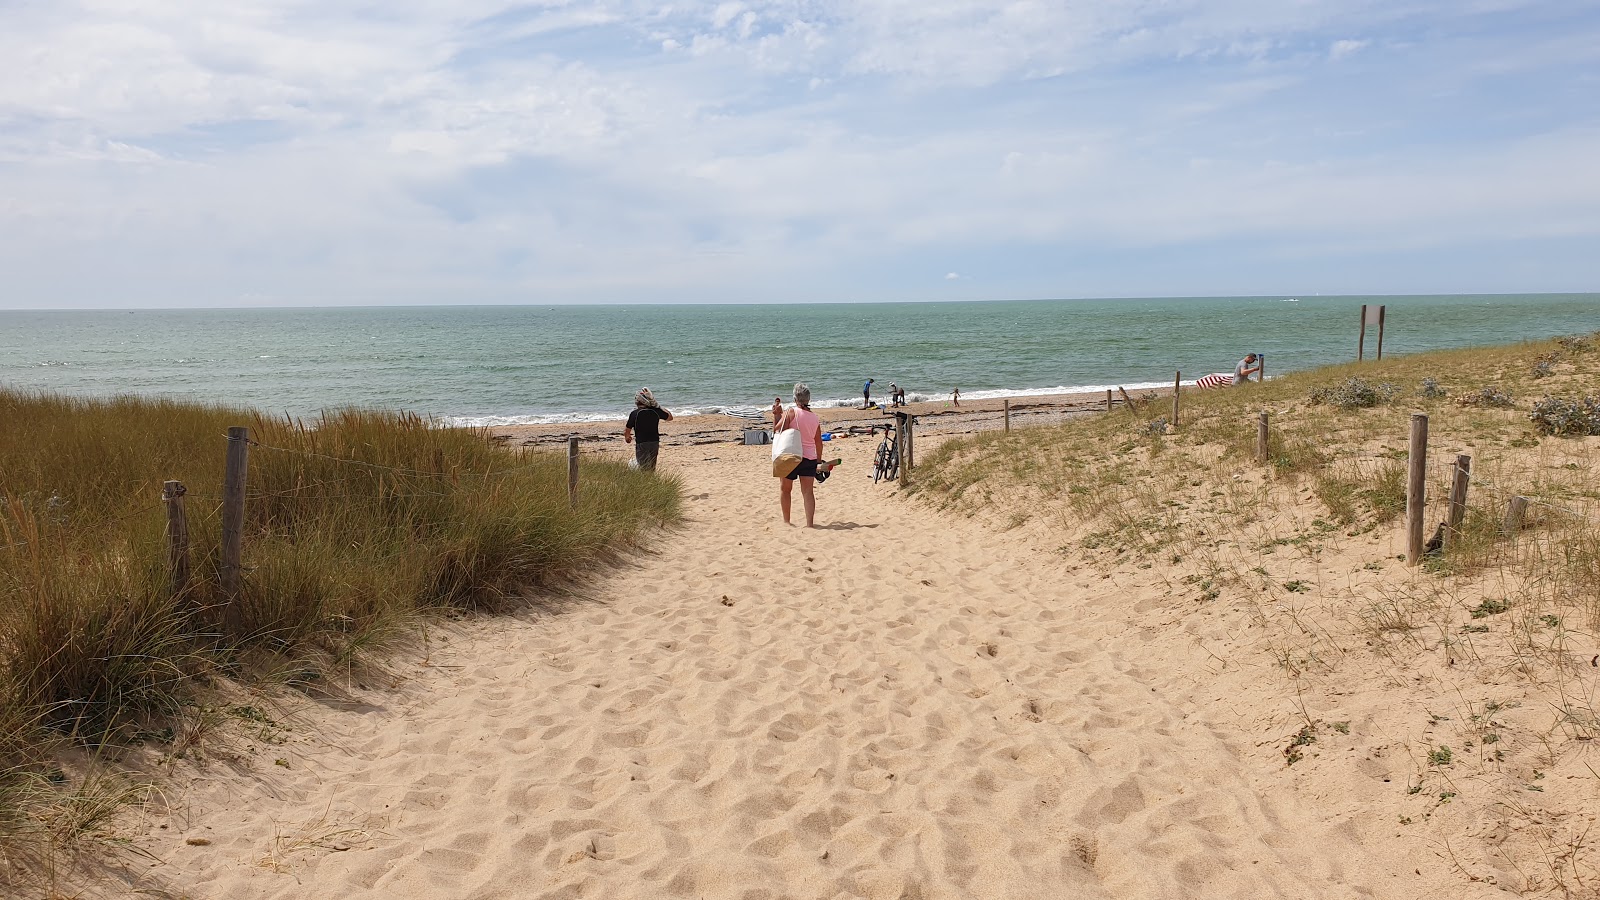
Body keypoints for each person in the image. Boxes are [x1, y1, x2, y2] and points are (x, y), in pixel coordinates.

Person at [776, 382, 824, 527]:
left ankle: (787, 521)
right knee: (808, 492)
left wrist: (777, 414)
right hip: (809, 457)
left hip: (791, 456)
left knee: (785, 489)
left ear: (795, 398)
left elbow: (777, 430)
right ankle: (809, 524)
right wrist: (819, 460)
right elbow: (818, 442)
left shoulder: (791, 412)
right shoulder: (814, 418)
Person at [623, 388, 673, 470]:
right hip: (654, 442)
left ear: (637, 402)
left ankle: (645, 481)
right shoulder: (655, 411)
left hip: (642, 443)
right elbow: (670, 417)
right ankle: (651, 480)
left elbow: (627, 430)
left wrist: (627, 437)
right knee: (652, 468)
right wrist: (657, 405)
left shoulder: (635, 413)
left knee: (643, 467)